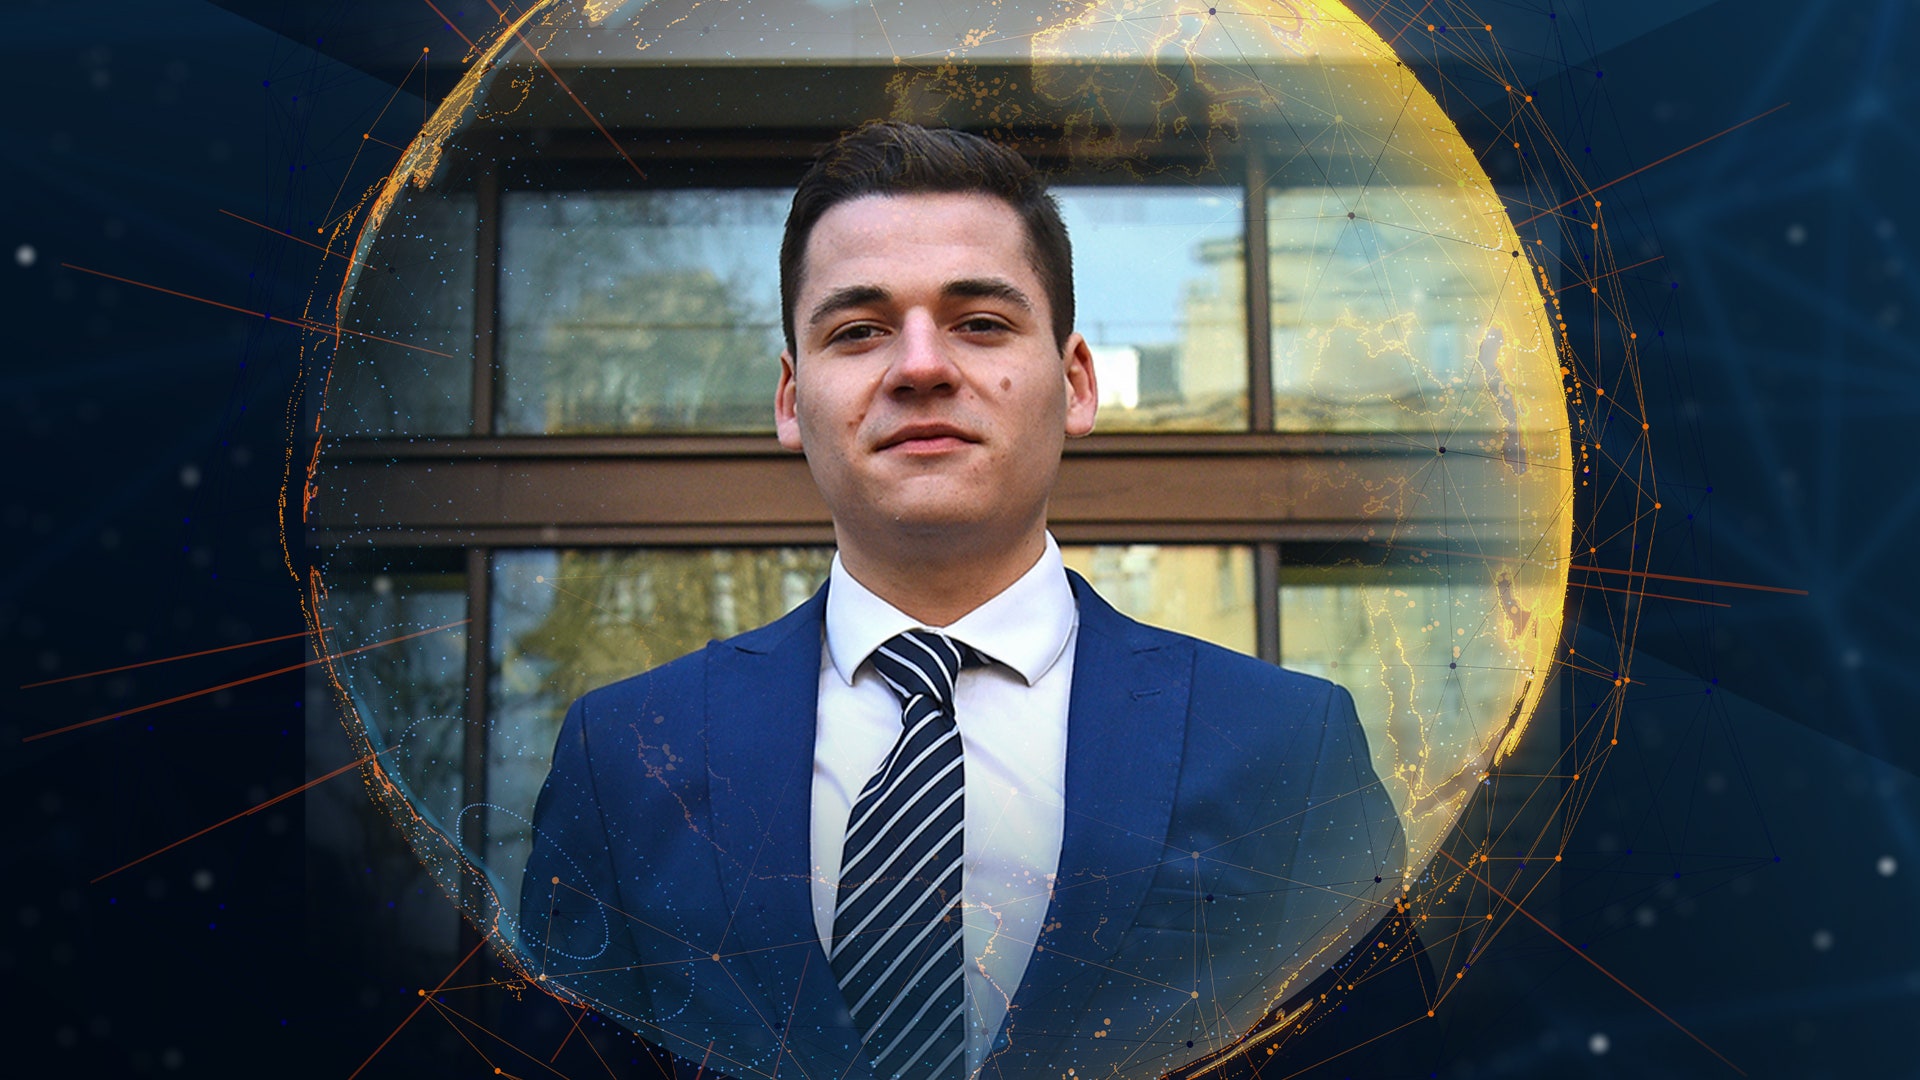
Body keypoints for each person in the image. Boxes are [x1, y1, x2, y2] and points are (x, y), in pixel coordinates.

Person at [518, 122, 1420, 1080]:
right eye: (858, 331)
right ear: (790, 398)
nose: (920, 367)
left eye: (981, 323)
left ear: (1076, 383)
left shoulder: (1289, 751)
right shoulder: (625, 760)